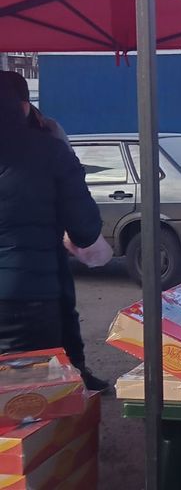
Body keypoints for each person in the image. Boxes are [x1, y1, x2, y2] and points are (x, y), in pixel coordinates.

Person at [0, 71, 110, 392]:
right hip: (28, 299)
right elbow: (85, 230)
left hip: (28, 290)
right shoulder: (50, 150)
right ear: (21, 108)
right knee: (32, 405)